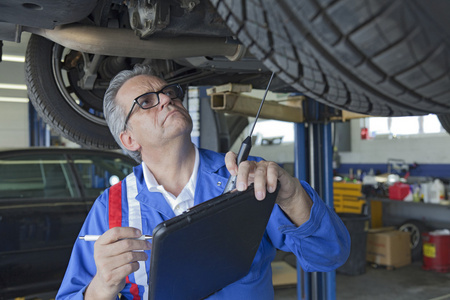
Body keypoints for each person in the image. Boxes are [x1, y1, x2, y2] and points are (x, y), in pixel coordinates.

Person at [56, 64, 350, 300]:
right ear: (129, 139)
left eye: (169, 92)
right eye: (146, 101)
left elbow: (329, 256)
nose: (168, 99)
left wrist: (293, 197)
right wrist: (99, 289)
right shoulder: (110, 208)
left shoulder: (246, 178)